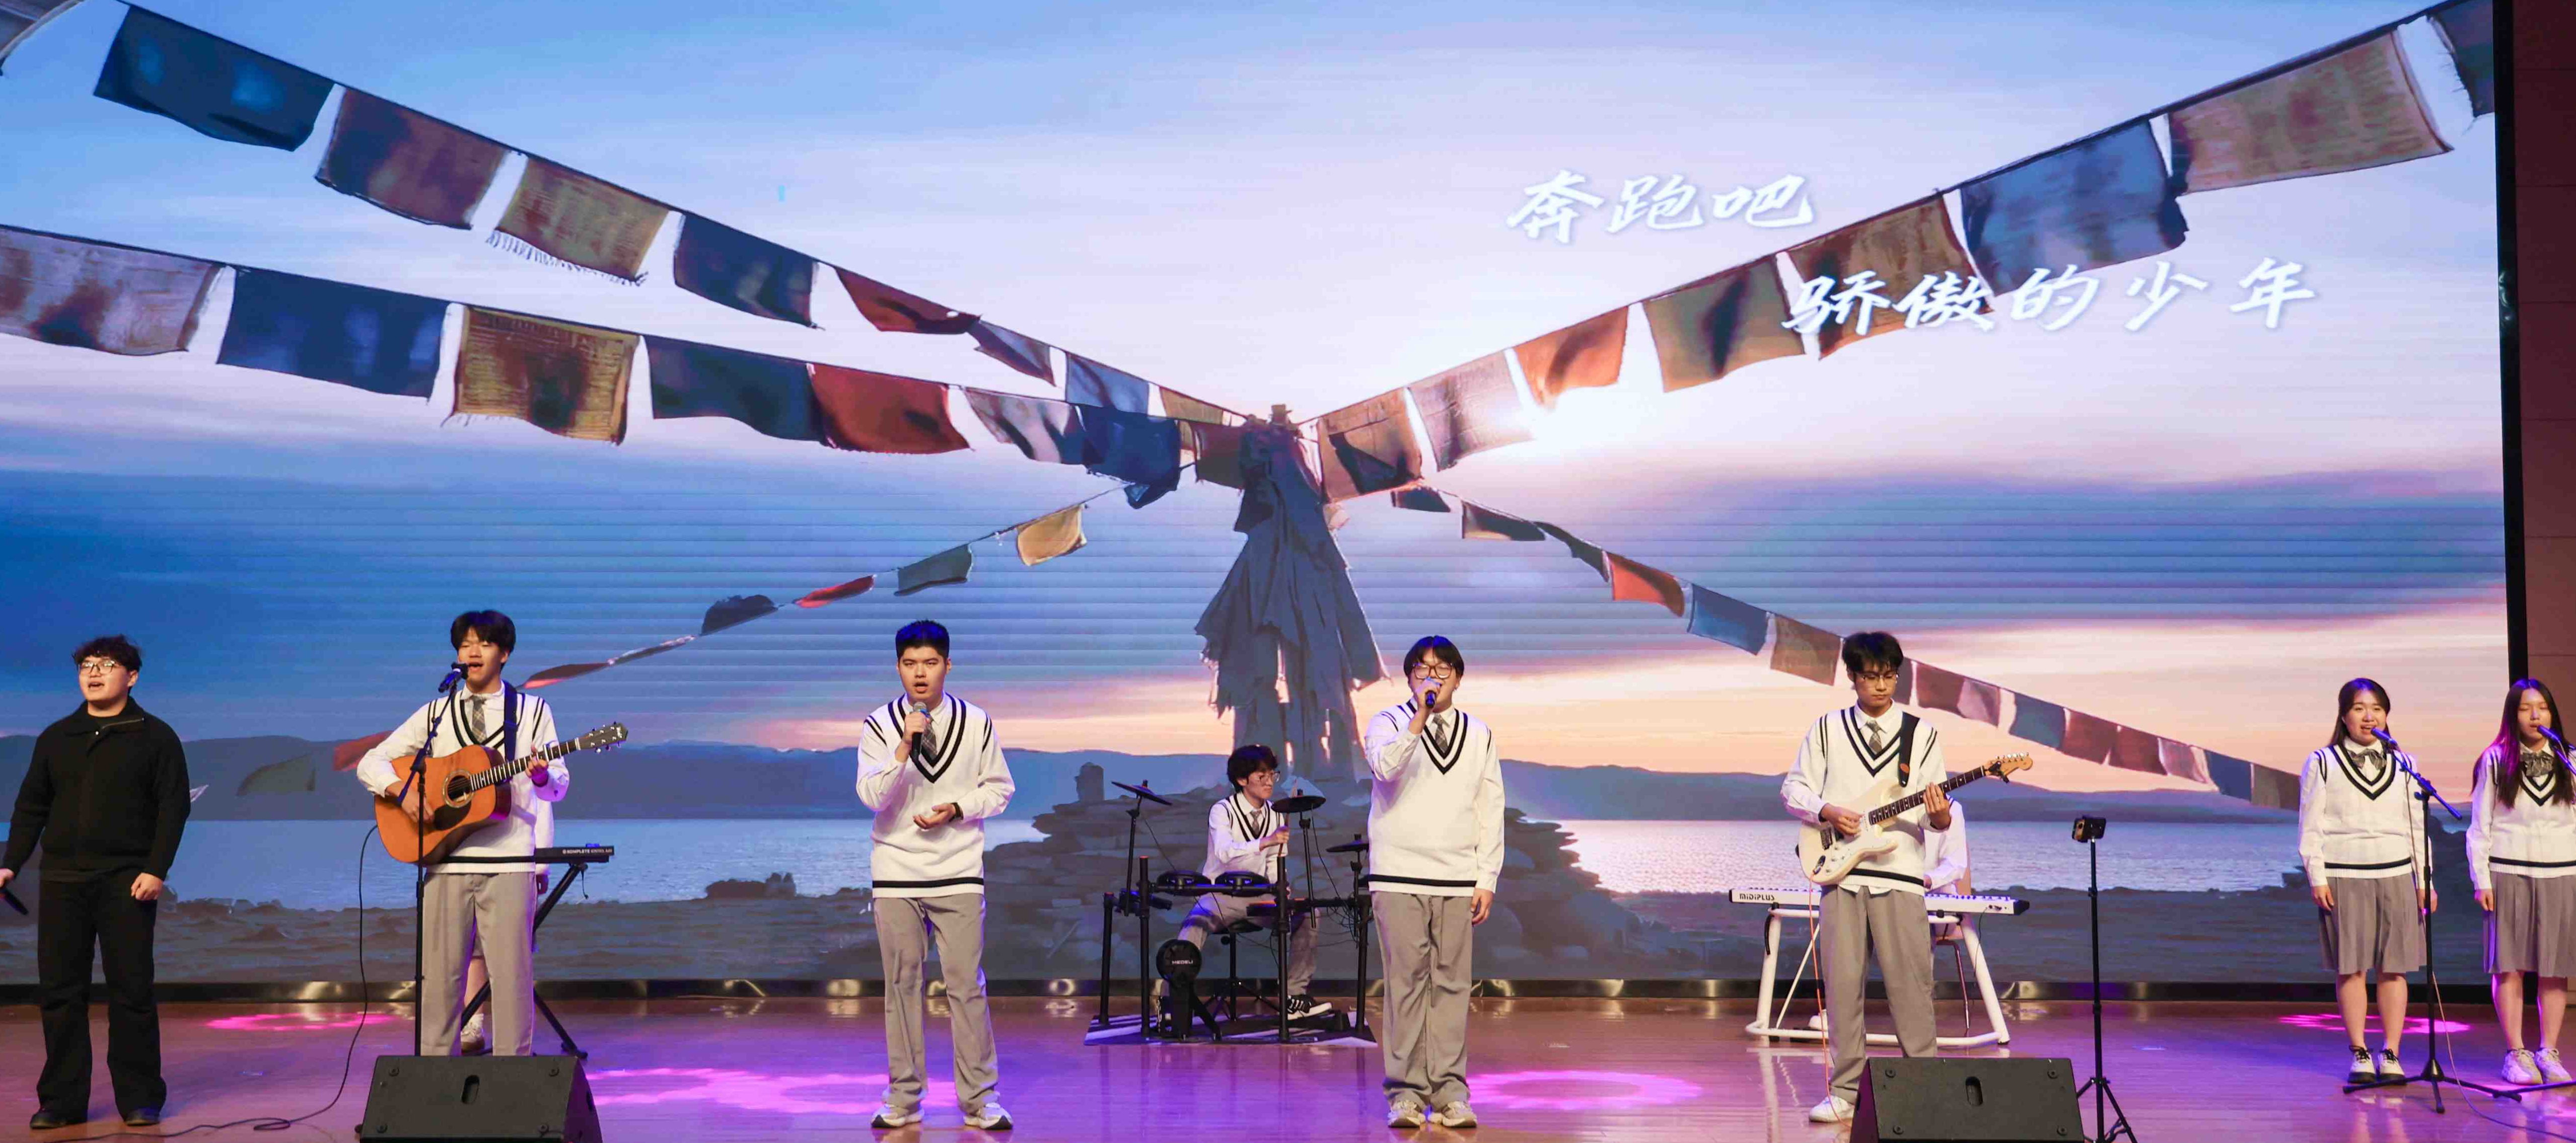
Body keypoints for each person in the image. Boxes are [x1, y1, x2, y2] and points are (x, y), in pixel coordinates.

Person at [352, 611, 567, 1057]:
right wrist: (401, 792)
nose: (472, 651)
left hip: (509, 862)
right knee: (438, 980)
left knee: (511, 980)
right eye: (465, 644)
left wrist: (542, 774)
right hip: (445, 861)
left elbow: (558, 787)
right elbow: (371, 761)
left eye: (484, 643)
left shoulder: (533, 711)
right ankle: (434, 1077)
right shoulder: (437, 711)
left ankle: (513, 1079)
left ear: (504, 654)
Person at [3, 636, 190, 1130]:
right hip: (62, 880)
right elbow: (31, 806)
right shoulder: (57, 736)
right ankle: (62, 1101)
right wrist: (10, 863)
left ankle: (140, 1098)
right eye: (87, 665)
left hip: (127, 881)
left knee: (131, 991)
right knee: (60, 992)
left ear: (132, 677)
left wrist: (156, 869)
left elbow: (173, 808)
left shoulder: (155, 737)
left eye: (106, 665)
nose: (94, 672)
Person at [1781, 631, 1951, 1124]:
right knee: (1842, 988)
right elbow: (1793, 789)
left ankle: (1924, 1091)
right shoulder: (1826, 729)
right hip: (1841, 875)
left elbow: (1935, 816)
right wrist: (1826, 810)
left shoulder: (1921, 734)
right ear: (1852, 677)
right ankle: (1845, 1092)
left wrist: (1941, 816)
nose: (1881, 685)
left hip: (1900, 875)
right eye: (1871, 676)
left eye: (1890, 676)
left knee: (1912, 988)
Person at [857, 620, 1016, 1131]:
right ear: (898, 668)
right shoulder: (880, 724)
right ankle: (903, 1098)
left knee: (966, 986)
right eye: (910, 664)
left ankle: (981, 1100)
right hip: (896, 871)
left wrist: (957, 808)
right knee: (901, 986)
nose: (920, 674)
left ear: (947, 665)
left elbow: (999, 789)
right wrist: (904, 745)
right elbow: (871, 796)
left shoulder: (977, 721)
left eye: (930, 663)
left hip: (958, 870)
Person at [1362, 636, 1505, 1131]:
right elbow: (1385, 767)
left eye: (1442, 669)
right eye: (1422, 669)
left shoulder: (1479, 733)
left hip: (1457, 875)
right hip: (1397, 873)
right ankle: (1405, 1093)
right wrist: (1418, 719)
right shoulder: (1388, 722)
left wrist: (1486, 876)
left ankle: (1450, 1093)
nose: (1432, 677)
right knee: (1405, 985)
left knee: (1452, 986)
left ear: (1458, 678)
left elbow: (1490, 805)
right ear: (1409, 678)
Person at [2298, 677, 2435, 1084]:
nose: (2369, 716)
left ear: (2387, 715)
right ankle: (2359, 1051)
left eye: (2377, 708)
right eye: (2359, 708)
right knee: (2352, 967)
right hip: (2345, 873)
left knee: (2395, 969)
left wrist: (2425, 878)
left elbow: (2416, 824)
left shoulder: (2405, 763)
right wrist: (2317, 875)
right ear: (2344, 715)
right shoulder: (2323, 761)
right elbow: (2311, 825)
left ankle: (2391, 1052)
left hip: (2396, 872)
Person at [2468, 678, 2576, 1087]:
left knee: (2555, 967)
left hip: (2561, 871)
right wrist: (2482, 878)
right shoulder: (2495, 759)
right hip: (2509, 870)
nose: (2535, 715)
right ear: (2512, 715)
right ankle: (2516, 1052)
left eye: (2542, 707)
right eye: (2525, 707)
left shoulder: (2569, 758)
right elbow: (2480, 825)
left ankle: (2549, 1050)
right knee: (2509, 965)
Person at [1176, 744, 1330, 1021]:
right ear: (1242, 780)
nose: (1270, 782)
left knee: (1309, 914)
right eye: (1262, 776)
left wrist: (1280, 886)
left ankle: (1294, 996)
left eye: (1273, 775)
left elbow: (1273, 862)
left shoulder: (1277, 813)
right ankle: (1173, 1002)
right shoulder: (1223, 811)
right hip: (1221, 894)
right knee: (1194, 925)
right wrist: (1266, 841)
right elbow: (1224, 852)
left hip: (1260, 897)